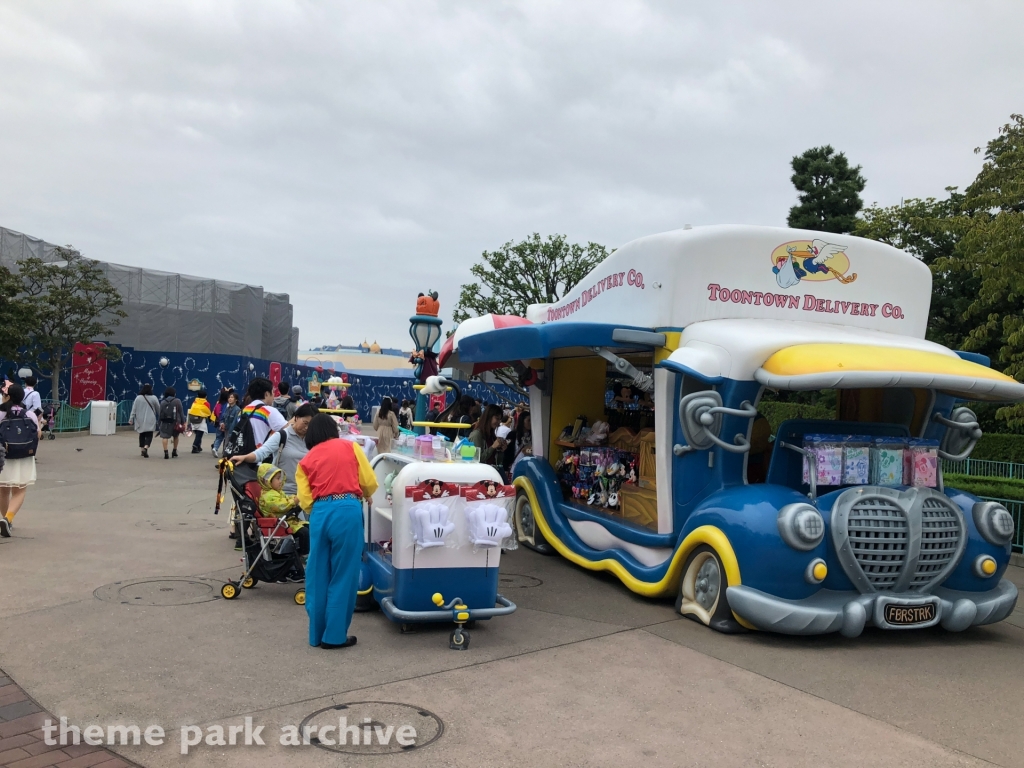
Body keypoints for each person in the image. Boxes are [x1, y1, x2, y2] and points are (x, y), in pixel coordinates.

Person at [296, 414, 378, 649]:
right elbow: (369, 481)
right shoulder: (350, 447)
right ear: (334, 430)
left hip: (320, 513)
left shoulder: (306, 460)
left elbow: (305, 499)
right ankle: (334, 636)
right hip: (347, 509)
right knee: (344, 574)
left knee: (318, 572)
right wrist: (362, 492)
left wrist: (322, 505)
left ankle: (316, 634)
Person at [0, 384, 40, 537]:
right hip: (23, 455)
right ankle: (8, 518)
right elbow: (37, 434)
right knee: (20, 489)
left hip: (3, 456)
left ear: (8, 395)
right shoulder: (29, 414)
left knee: (3, 489)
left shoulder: (1, 413)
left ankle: (5, 520)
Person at [257, 463, 309, 557]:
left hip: (287, 520)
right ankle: (303, 554)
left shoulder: (277, 492)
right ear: (266, 480)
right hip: (279, 524)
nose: (280, 481)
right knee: (304, 533)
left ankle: (303, 552)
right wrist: (295, 500)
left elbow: (286, 498)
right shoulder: (267, 496)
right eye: (277, 478)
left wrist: (293, 498)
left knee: (309, 528)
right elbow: (281, 505)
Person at [469, 403, 507, 469]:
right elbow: (477, 459)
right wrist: (492, 447)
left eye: (500, 420)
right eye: (497, 418)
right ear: (489, 417)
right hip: (482, 475)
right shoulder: (477, 435)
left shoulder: (491, 435)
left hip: (492, 473)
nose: (498, 422)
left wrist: (501, 450)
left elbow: (497, 461)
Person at [128, 384, 161, 458]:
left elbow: (134, 409)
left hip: (140, 419)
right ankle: (146, 447)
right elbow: (158, 409)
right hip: (150, 419)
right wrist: (161, 417)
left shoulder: (138, 398)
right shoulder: (154, 398)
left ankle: (142, 449)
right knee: (149, 434)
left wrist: (131, 419)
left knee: (142, 434)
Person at [158, 387, 185, 459]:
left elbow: (160, 413)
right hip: (176, 422)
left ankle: (166, 452)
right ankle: (174, 451)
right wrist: (183, 422)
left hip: (165, 422)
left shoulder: (163, 402)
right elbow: (181, 412)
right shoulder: (177, 401)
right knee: (176, 436)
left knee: (164, 437)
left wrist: (159, 423)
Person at [187, 389, 213, 454]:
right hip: (201, 421)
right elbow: (208, 412)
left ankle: (198, 446)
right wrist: (210, 420)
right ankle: (195, 446)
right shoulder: (206, 403)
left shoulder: (195, 402)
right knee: (199, 434)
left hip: (193, 420)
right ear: (206, 396)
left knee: (198, 434)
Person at [218, 391, 241, 457]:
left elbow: (235, 422)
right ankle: (224, 460)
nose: (230, 399)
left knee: (229, 447)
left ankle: (225, 461)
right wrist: (222, 423)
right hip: (226, 430)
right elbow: (223, 417)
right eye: (229, 397)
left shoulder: (237, 409)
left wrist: (231, 433)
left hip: (232, 431)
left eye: (232, 397)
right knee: (226, 446)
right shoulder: (227, 408)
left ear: (236, 400)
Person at [210, 389, 231, 455]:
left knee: (219, 437)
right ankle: (224, 451)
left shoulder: (218, 403)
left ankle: (215, 448)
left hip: (218, 422)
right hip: (225, 423)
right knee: (226, 437)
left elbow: (215, 412)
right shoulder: (227, 405)